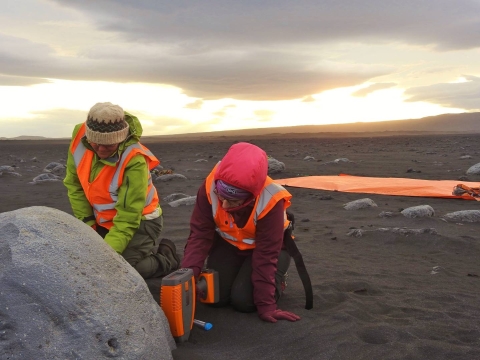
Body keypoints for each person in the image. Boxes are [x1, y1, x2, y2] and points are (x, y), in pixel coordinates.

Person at [181, 142, 312, 323]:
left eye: (233, 202)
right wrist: (188, 275)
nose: (224, 206)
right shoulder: (210, 186)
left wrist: (267, 305)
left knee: (245, 302)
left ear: (251, 197)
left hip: (268, 251)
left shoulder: (271, 200)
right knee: (215, 298)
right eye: (221, 197)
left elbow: (265, 255)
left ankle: (278, 281)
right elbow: (200, 234)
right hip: (230, 244)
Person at [64, 102, 179, 279]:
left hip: (141, 221)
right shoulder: (80, 135)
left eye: (109, 146)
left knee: (119, 270)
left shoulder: (135, 161)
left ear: (120, 138)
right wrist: (88, 223)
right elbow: (74, 185)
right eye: (95, 144)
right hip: (102, 218)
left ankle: (165, 260)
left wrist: (105, 256)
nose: (101, 150)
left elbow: (128, 218)